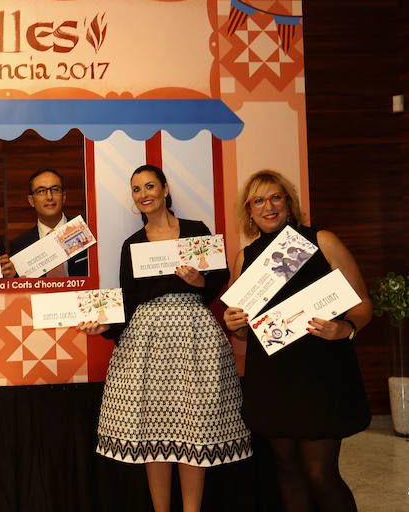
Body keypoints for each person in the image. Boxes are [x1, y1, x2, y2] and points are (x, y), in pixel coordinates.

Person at [79, 165, 251, 512]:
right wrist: (104, 326)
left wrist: (200, 283)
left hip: (195, 337)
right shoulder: (132, 245)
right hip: (146, 343)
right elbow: (127, 301)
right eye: (136, 190)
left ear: (165, 188)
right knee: (153, 433)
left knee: (194, 431)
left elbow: (219, 279)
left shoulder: (194, 232)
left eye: (149, 186)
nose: (144, 194)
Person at [223, 169, 371, 512]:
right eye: (258, 200)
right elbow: (245, 327)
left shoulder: (322, 241)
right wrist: (234, 323)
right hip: (273, 378)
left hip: (321, 374)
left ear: (289, 202)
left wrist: (345, 328)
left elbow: (363, 302)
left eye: (276, 197)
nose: (268, 206)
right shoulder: (244, 258)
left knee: (320, 472)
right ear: (249, 211)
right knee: (287, 469)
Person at [10, 168, 88, 277]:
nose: (49, 197)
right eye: (41, 191)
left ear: (64, 196)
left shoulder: (86, 232)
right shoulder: (20, 245)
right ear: (31, 200)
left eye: (55, 189)